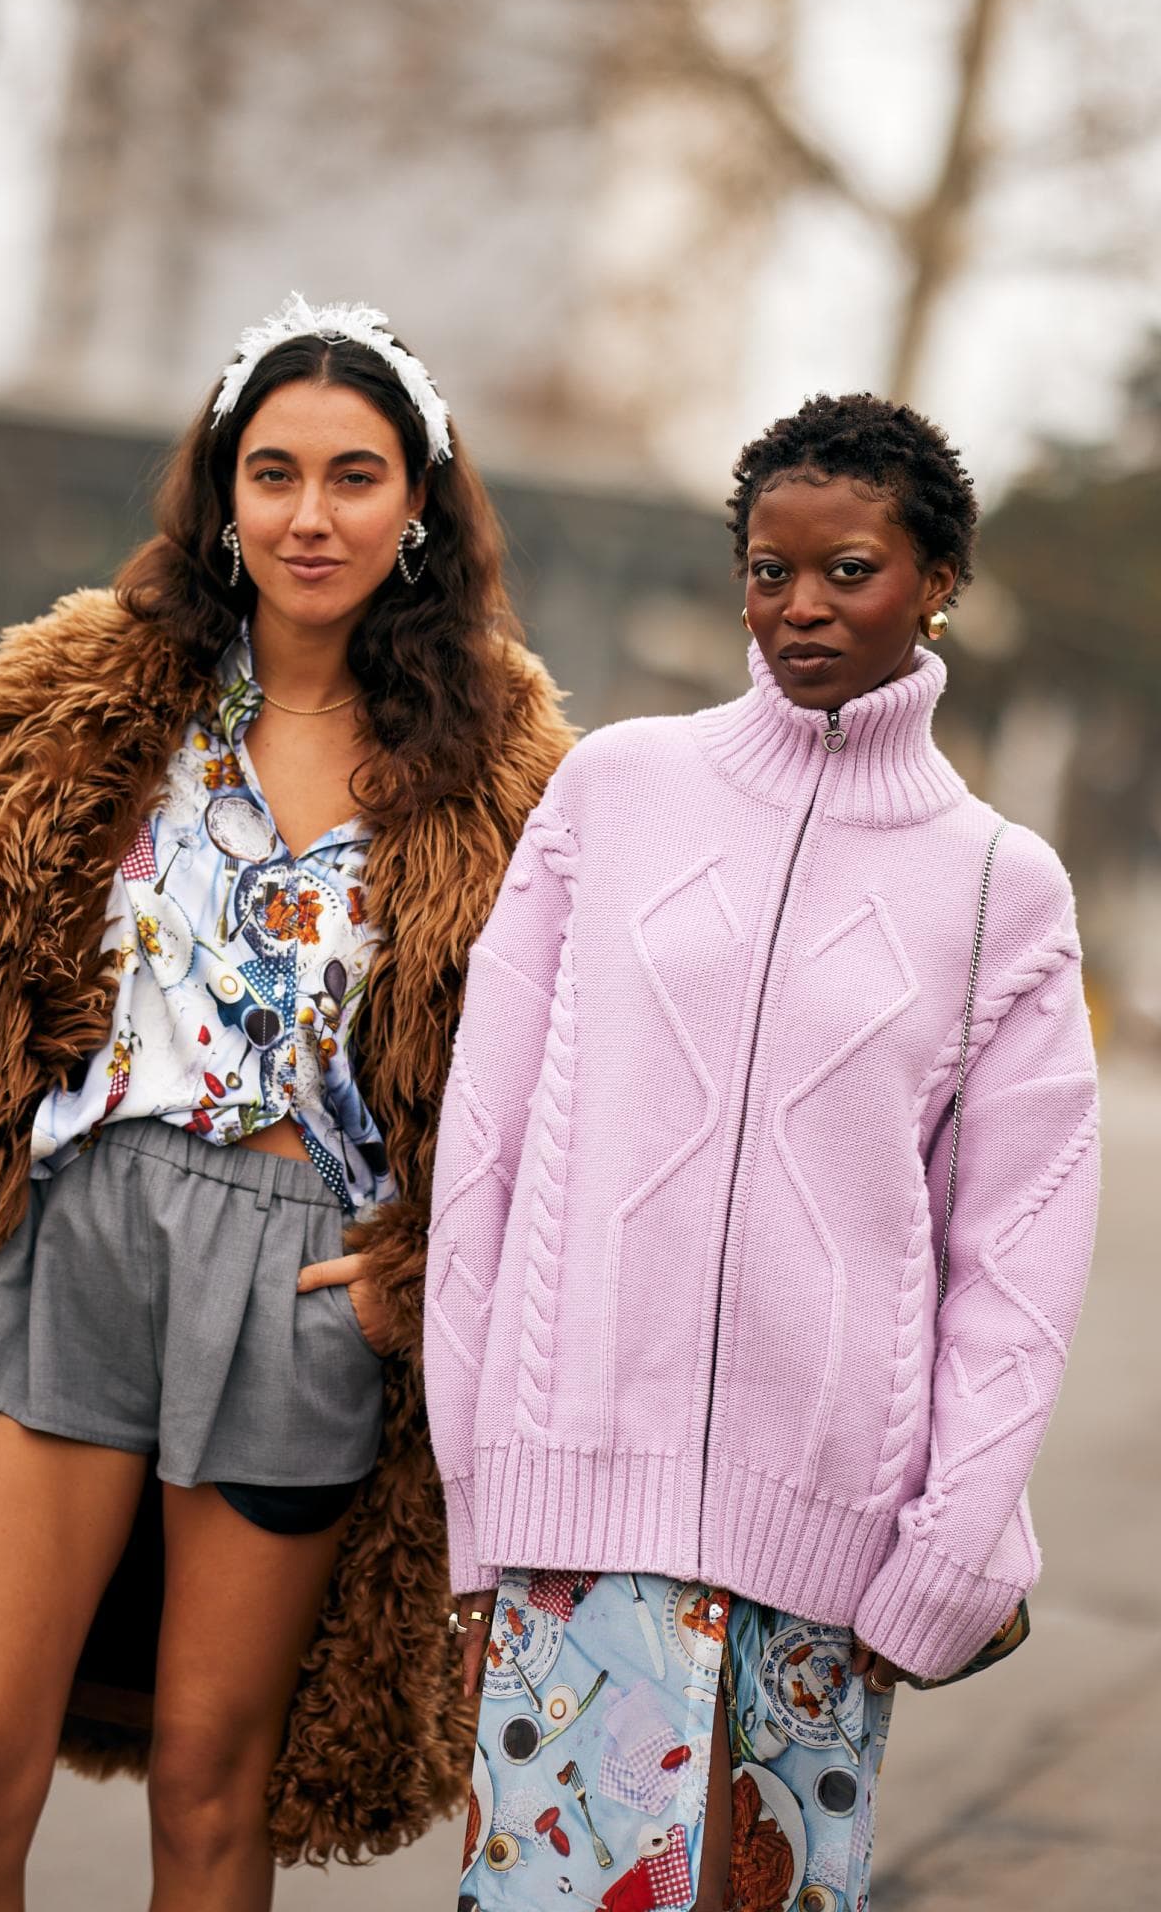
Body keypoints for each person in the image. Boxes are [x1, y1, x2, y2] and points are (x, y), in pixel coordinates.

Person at [0, 293, 574, 1911]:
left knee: (210, 1794)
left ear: (419, 502)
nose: (310, 515)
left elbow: (559, 1084)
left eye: (354, 475)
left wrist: (425, 1275)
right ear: (222, 491)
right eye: (274, 472)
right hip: (73, 1240)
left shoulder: (509, 770)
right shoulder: (87, 699)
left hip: (303, 1279)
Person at [428, 393, 1100, 1911]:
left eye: (849, 570)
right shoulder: (615, 791)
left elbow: (1020, 1259)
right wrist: (480, 1494)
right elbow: (488, 1150)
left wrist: (949, 1549)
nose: (801, 606)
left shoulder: (1000, 889)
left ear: (937, 582)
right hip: (572, 1534)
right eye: (769, 570)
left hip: (830, 1571)